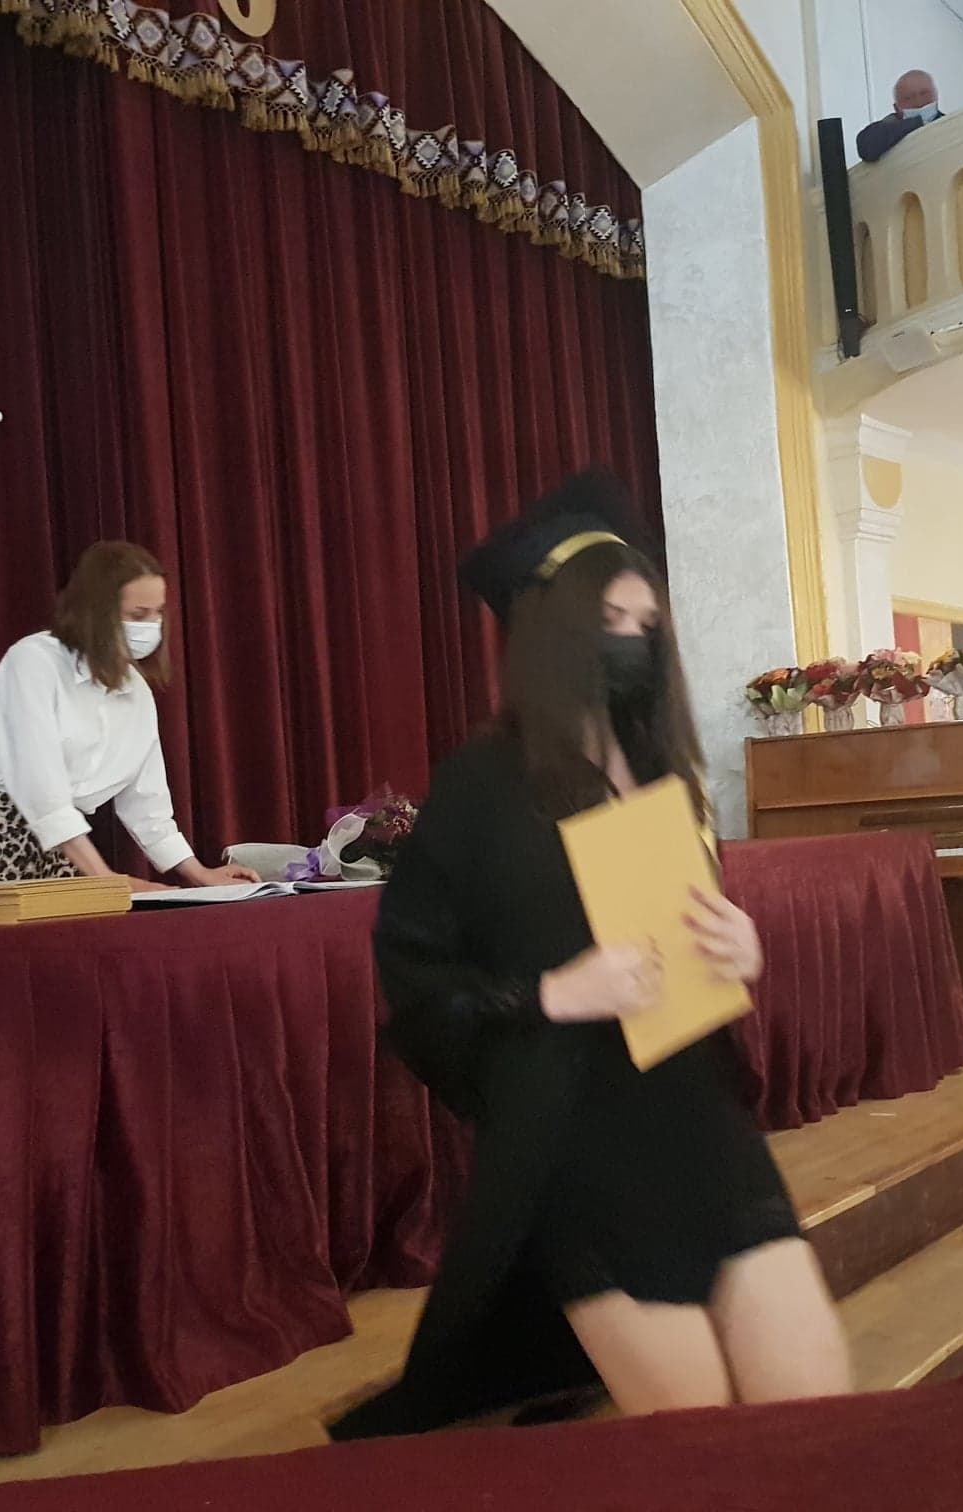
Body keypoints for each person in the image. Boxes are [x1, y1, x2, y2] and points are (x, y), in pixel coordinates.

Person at [330, 470, 852, 1439]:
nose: (634, 642)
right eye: (611, 620)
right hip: (578, 1149)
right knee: (699, 1446)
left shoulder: (664, 771)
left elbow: (688, 921)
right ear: (553, 630)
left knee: (815, 1420)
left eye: (648, 624)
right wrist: (553, 995)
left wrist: (737, 946)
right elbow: (418, 985)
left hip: (704, 1127)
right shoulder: (481, 786)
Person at [0, 541, 257, 891]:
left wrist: (198, 874)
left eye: (157, 613)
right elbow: (39, 786)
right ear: (97, 612)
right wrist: (107, 880)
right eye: (138, 615)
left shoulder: (135, 690)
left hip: (69, 846)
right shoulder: (34, 661)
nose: (151, 626)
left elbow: (147, 804)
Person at [857, 70, 942, 164]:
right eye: (908, 98)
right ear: (896, 108)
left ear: (936, 95)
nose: (919, 102)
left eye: (924, 93)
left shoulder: (950, 125)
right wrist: (919, 122)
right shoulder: (888, 127)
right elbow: (866, 147)